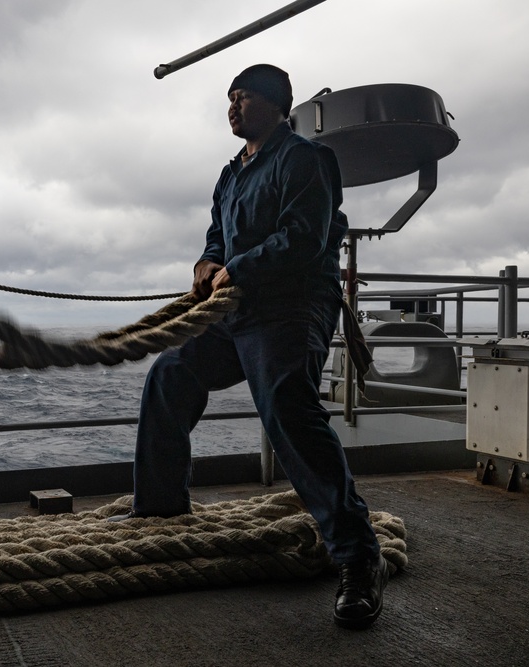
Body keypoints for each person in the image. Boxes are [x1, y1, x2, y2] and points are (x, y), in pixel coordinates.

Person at [110, 64, 387, 630]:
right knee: (170, 375)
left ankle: (359, 556)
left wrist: (234, 266)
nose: (233, 107)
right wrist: (206, 261)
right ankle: (160, 511)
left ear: (277, 104)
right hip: (238, 312)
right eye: (230, 99)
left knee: (287, 403)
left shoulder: (305, 160)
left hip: (291, 308)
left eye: (244, 97)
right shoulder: (230, 174)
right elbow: (218, 234)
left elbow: (305, 238)